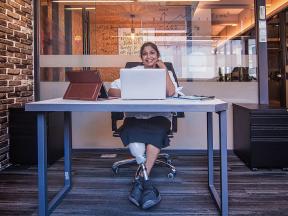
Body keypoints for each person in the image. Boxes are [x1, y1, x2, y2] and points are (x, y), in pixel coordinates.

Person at [108, 42, 180, 209]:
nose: (149, 56)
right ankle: (146, 185)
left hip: (159, 117)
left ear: (157, 55)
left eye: (152, 53)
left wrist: (163, 70)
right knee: (133, 130)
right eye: (145, 54)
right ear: (141, 58)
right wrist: (131, 92)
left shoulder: (165, 72)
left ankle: (140, 182)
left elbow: (171, 92)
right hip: (135, 117)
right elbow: (111, 91)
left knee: (155, 134)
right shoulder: (133, 73)